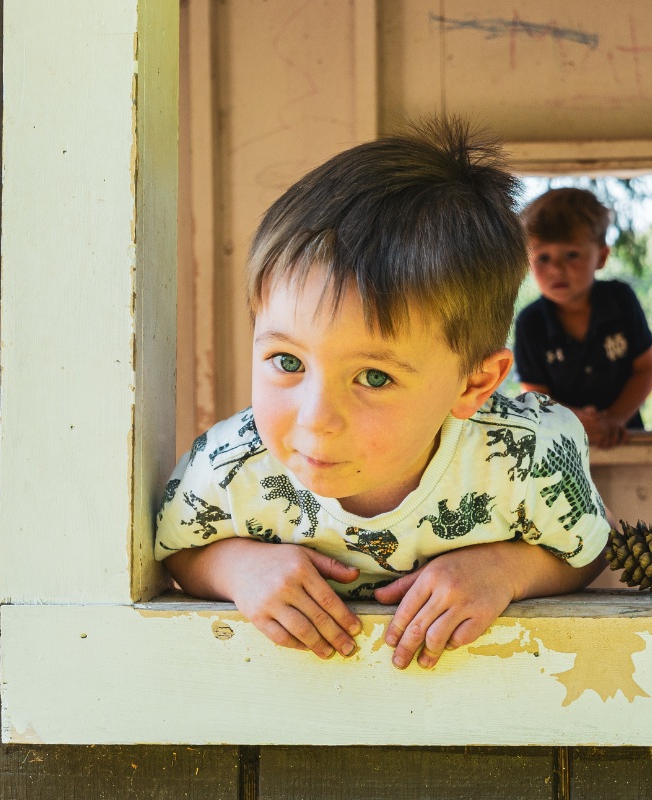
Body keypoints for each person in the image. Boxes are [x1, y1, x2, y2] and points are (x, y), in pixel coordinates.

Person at [155, 118, 611, 671]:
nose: (315, 419)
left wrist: (506, 571)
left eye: (373, 376)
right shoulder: (231, 464)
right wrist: (238, 569)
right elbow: (176, 545)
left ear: (475, 383)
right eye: (287, 362)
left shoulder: (526, 456)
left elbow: (587, 547)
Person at [513, 188, 652, 448]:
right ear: (527, 262)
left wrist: (614, 419)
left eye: (571, 255)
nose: (556, 269)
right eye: (543, 257)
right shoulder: (530, 322)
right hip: (560, 448)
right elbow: (535, 394)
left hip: (625, 440)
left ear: (601, 256)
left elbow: (646, 370)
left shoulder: (621, 300)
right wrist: (577, 422)